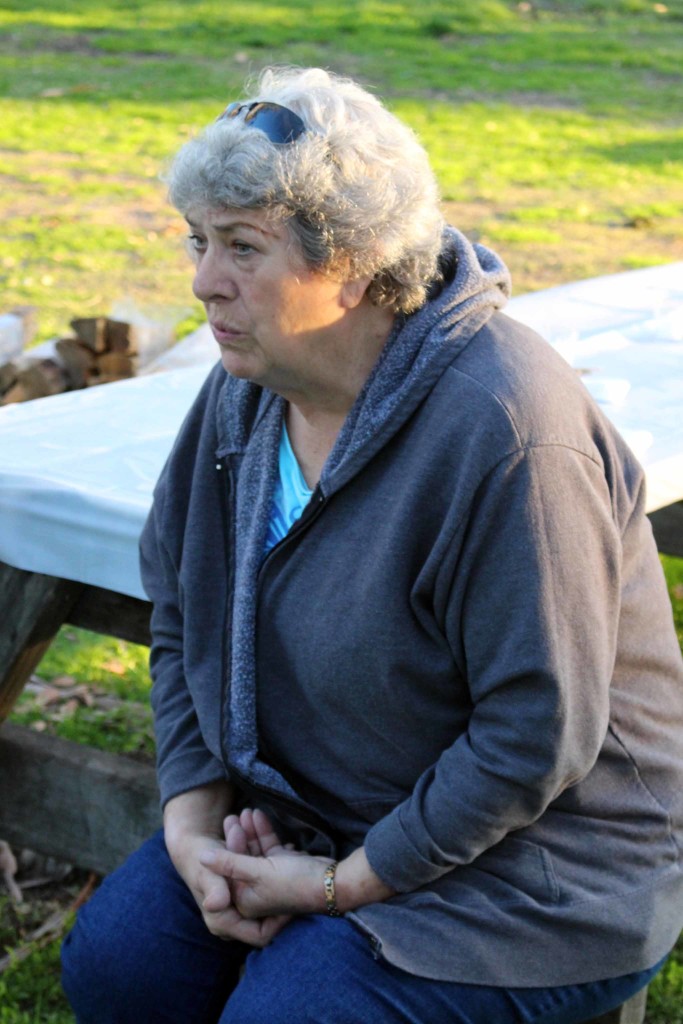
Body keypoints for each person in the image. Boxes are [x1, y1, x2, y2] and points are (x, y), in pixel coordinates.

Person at [61, 66, 683, 1024]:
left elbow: (533, 734)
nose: (201, 281)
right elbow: (181, 602)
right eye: (198, 241)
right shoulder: (248, 386)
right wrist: (191, 821)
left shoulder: (507, 430)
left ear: (350, 262)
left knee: (289, 1013)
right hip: (316, 806)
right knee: (119, 968)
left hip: (540, 870)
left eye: (242, 247)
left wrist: (338, 888)